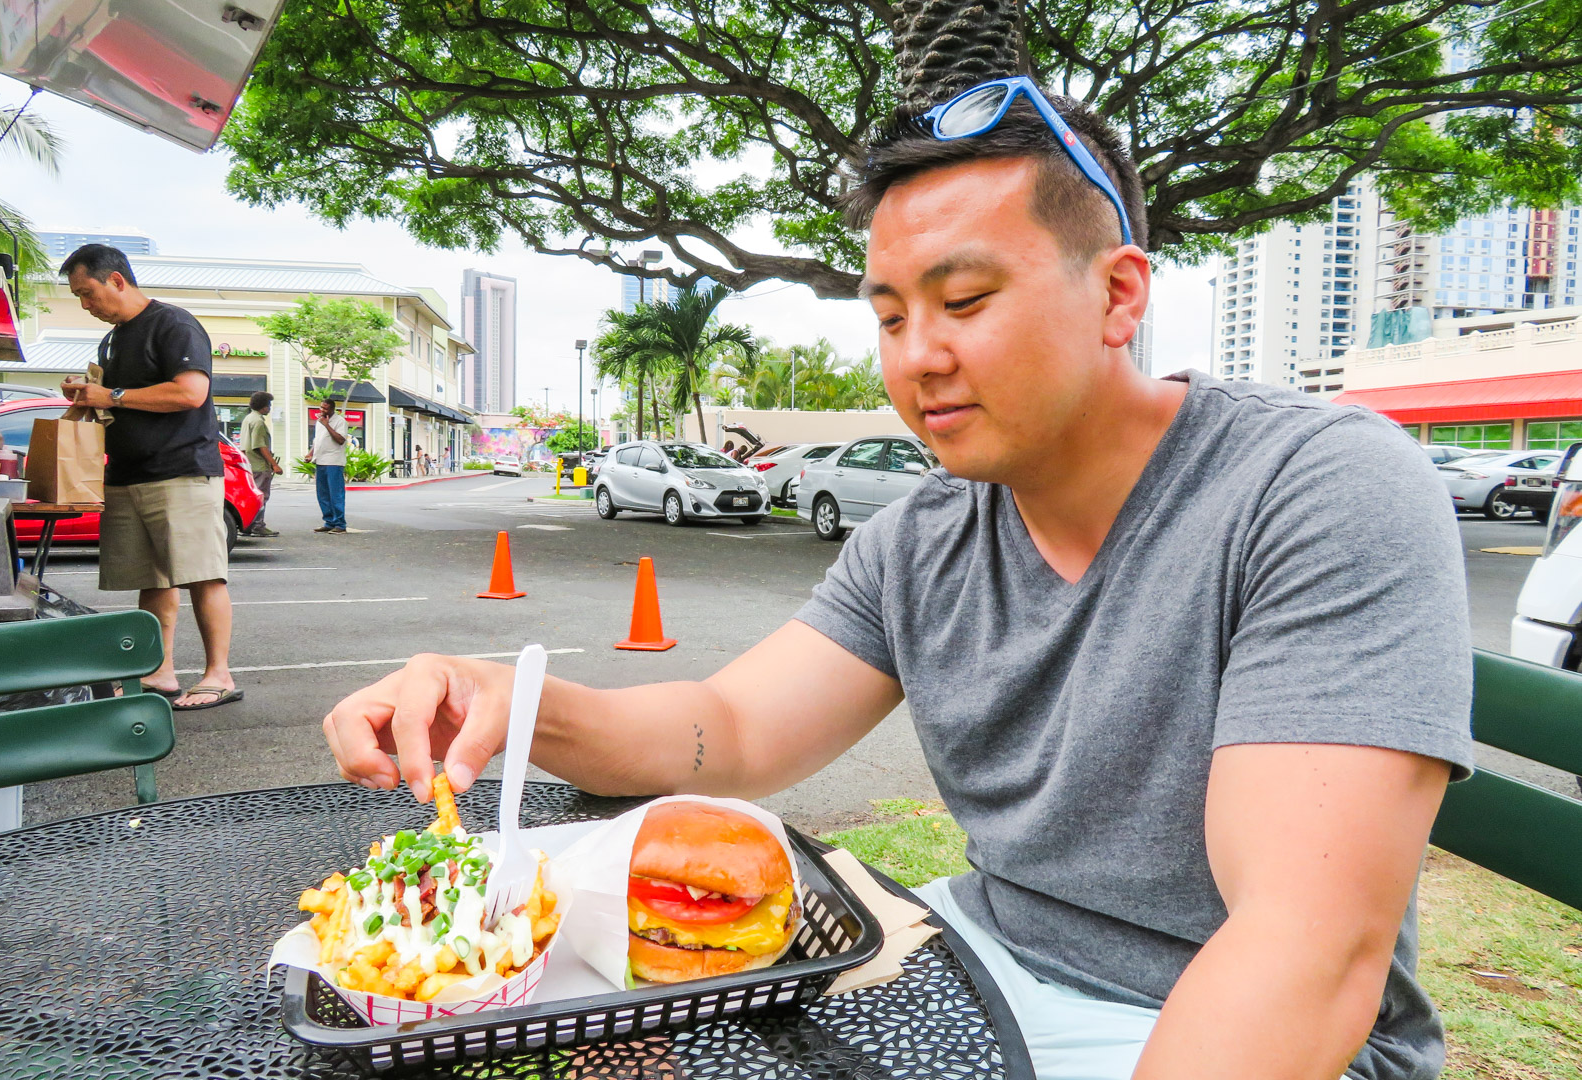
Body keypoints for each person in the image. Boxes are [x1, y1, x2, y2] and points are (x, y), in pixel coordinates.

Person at [322, 77, 1472, 1080]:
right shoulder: (928, 533)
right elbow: (730, 729)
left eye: (965, 302)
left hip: (1221, 1028)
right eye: (889, 315)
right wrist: (510, 699)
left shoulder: (1316, 487)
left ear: (1121, 294)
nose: (918, 357)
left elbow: (1306, 948)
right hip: (967, 960)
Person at [59, 243, 244, 712]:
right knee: (153, 580)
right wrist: (89, 395)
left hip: (180, 470)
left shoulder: (173, 323)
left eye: (87, 293)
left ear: (116, 279)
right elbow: (115, 397)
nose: (85, 305)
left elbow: (190, 392)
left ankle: (218, 674)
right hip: (126, 475)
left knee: (203, 575)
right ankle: (158, 672)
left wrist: (112, 394)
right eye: (79, 297)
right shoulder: (114, 337)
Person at [238, 391, 281, 537]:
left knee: (252, 496)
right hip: (259, 465)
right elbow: (261, 446)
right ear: (263, 406)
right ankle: (258, 525)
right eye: (268, 405)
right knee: (261, 496)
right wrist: (274, 464)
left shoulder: (248, 419)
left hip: (249, 464)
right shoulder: (258, 422)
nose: (269, 408)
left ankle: (248, 525)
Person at [307, 398, 349, 534]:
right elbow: (317, 440)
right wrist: (310, 454)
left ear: (332, 409)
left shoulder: (340, 421)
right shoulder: (320, 421)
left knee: (335, 494)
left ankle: (340, 524)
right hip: (320, 461)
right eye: (321, 407)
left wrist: (327, 425)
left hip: (334, 462)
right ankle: (329, 521)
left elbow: (341, 440)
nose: (322, 410)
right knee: (323, 494)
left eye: (325, 408)